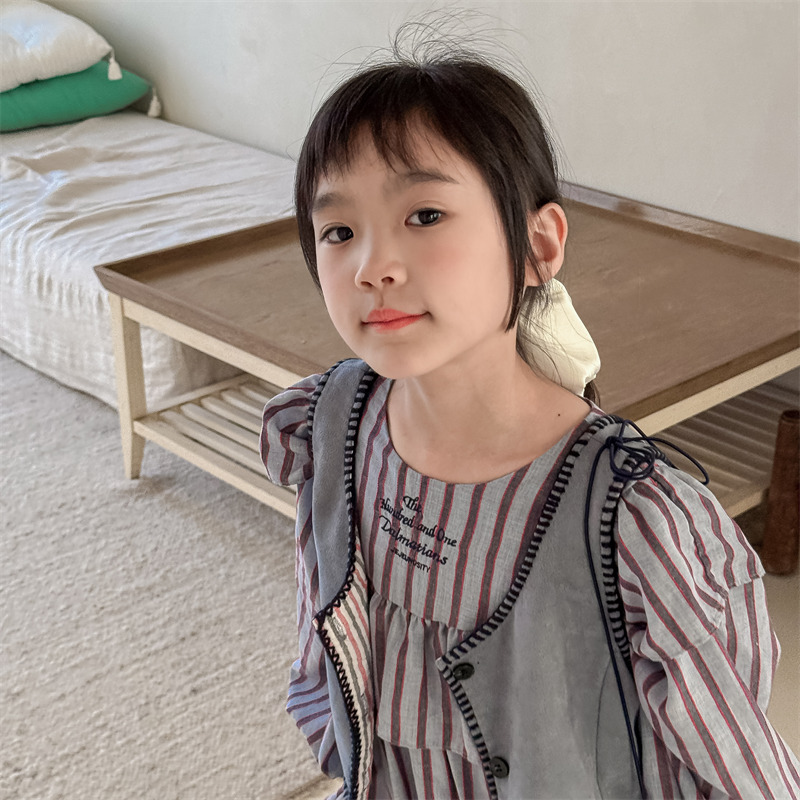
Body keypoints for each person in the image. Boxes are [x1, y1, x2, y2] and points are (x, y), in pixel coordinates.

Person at [260, 40, 799, 800]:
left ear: (538, 246)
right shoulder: (328, 425)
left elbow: (736, 771)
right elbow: (323, 635)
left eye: (424, 214)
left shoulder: (636, 519)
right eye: (339, 231)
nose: (372, 266)